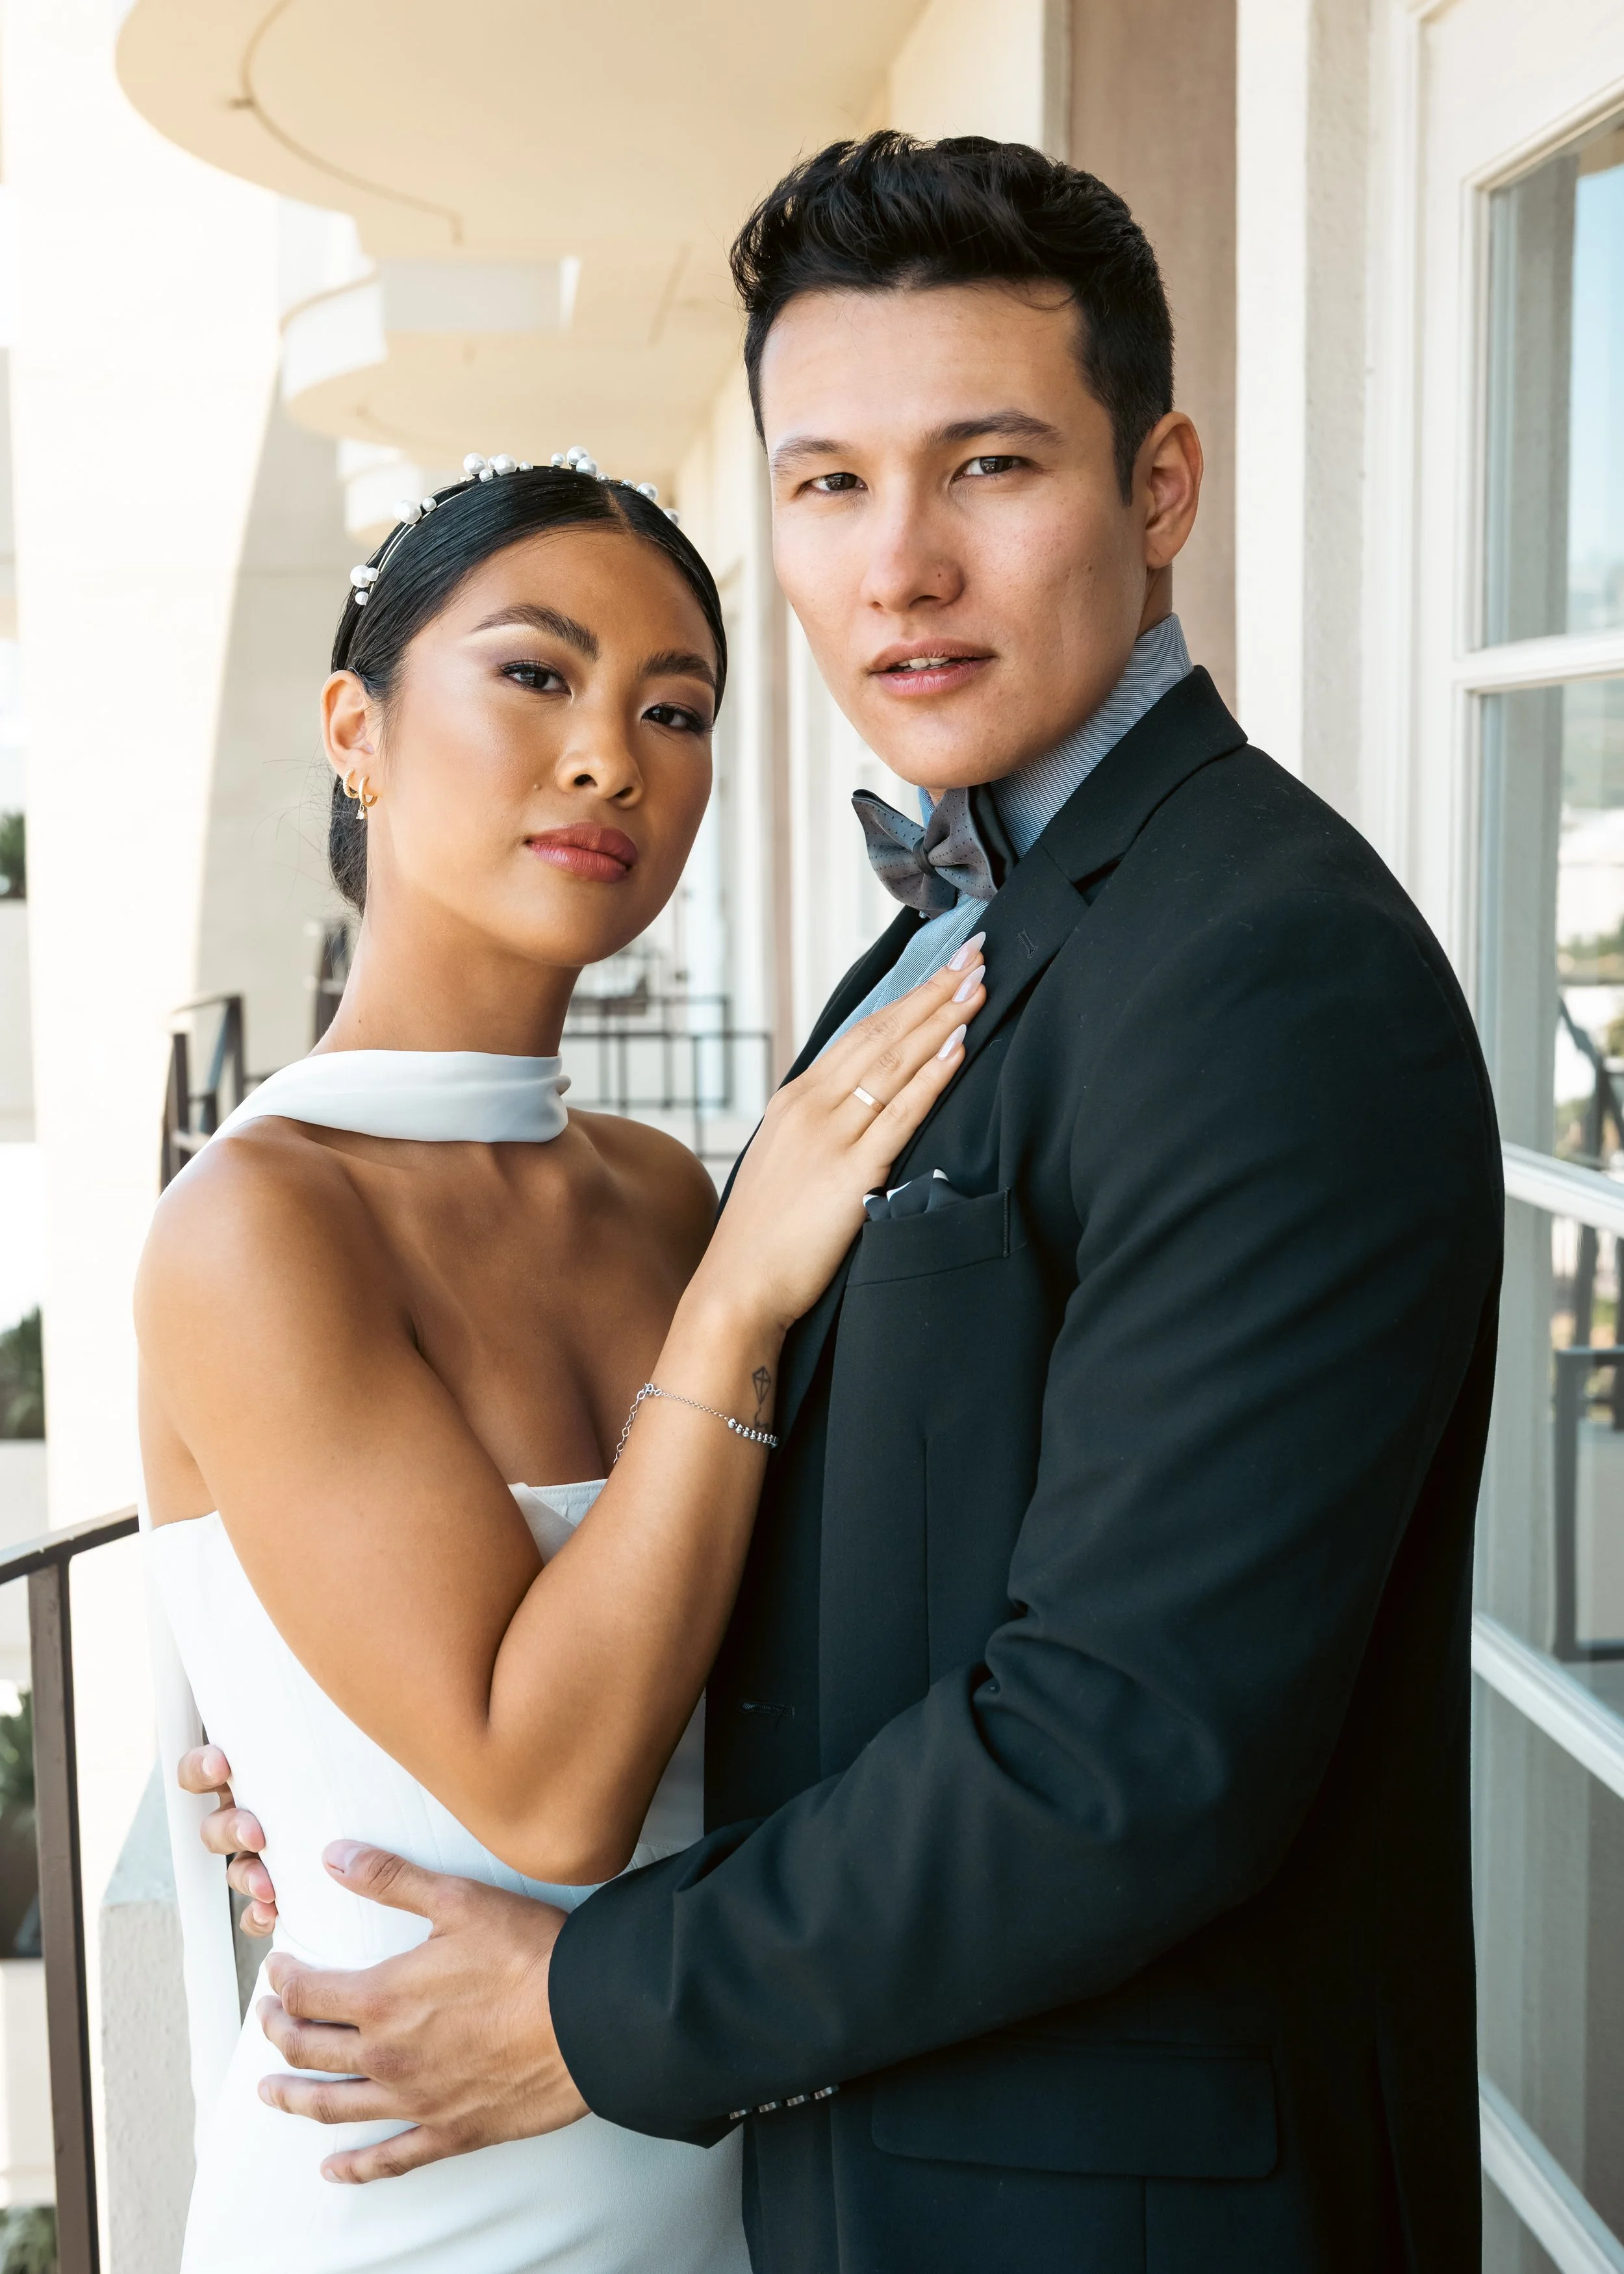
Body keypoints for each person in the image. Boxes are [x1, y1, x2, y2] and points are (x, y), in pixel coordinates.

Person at [186, 136, 1503, 2273]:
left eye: (986, 466)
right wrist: (339, 1773)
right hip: (847, 2166)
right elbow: (831, 1559)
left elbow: (1128, 1749)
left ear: (1156, 489)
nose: (898, 568)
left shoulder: (1267, 966)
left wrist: (587, 2008)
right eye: (824, 484)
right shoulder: (938, 941)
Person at [136, 452, 987, 2274]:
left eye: (672, 707)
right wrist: (738, 1300)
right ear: (355, 726)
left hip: (722, 2167)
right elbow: (545, 1787)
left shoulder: (667, 1191)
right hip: (403, 2207)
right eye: (535, 673)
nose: (610, 753)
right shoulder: (256, 1223)